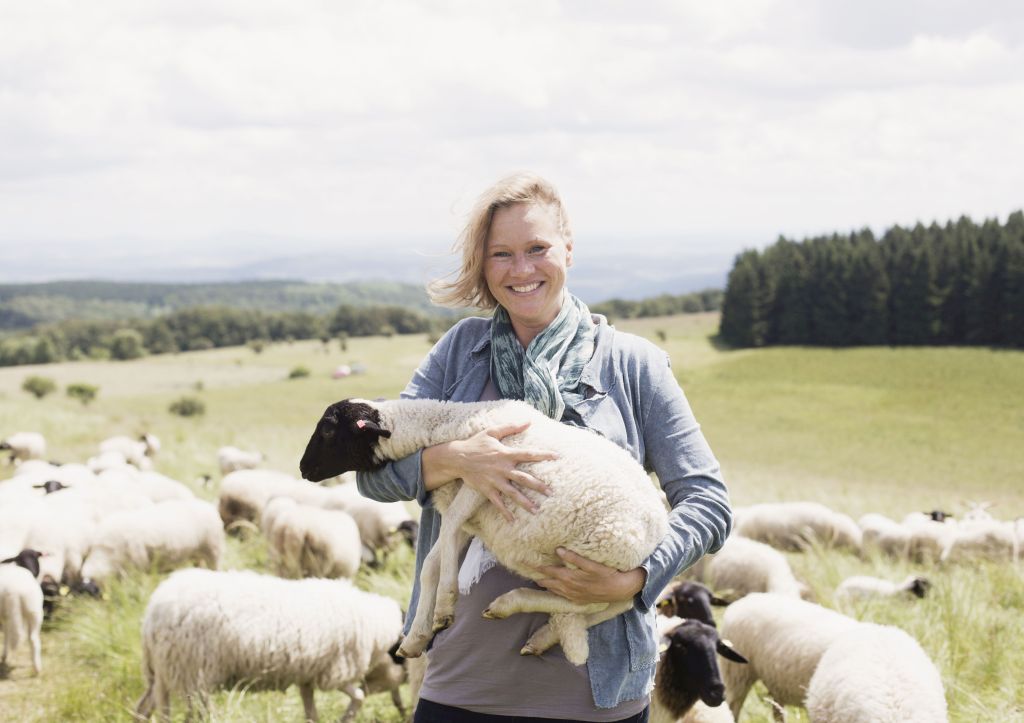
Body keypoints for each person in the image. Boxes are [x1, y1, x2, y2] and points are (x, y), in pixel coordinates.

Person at [357, 172, 731, 722]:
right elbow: (373, 469)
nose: (522, 269)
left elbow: (708, 504)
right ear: (483, 266)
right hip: (463, 681)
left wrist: (635, 581)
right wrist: (458, 460)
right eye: (501, 254)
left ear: (568, 249)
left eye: (537, 248)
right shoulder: (461, 353)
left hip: (595, 693)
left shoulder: (632, 365)